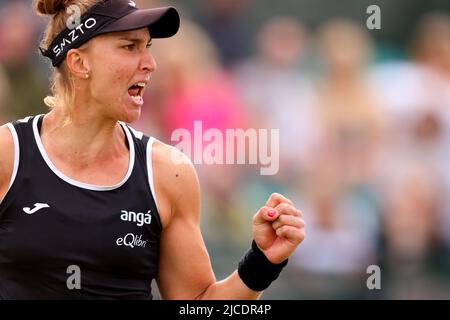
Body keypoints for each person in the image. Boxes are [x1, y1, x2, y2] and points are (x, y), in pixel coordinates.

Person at [0, 0, 305, 299]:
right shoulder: (7, 155)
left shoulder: (168, 172)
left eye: (147, 47)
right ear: (79, 63)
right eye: (129, 46)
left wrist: (262, 263)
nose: (150, 63)